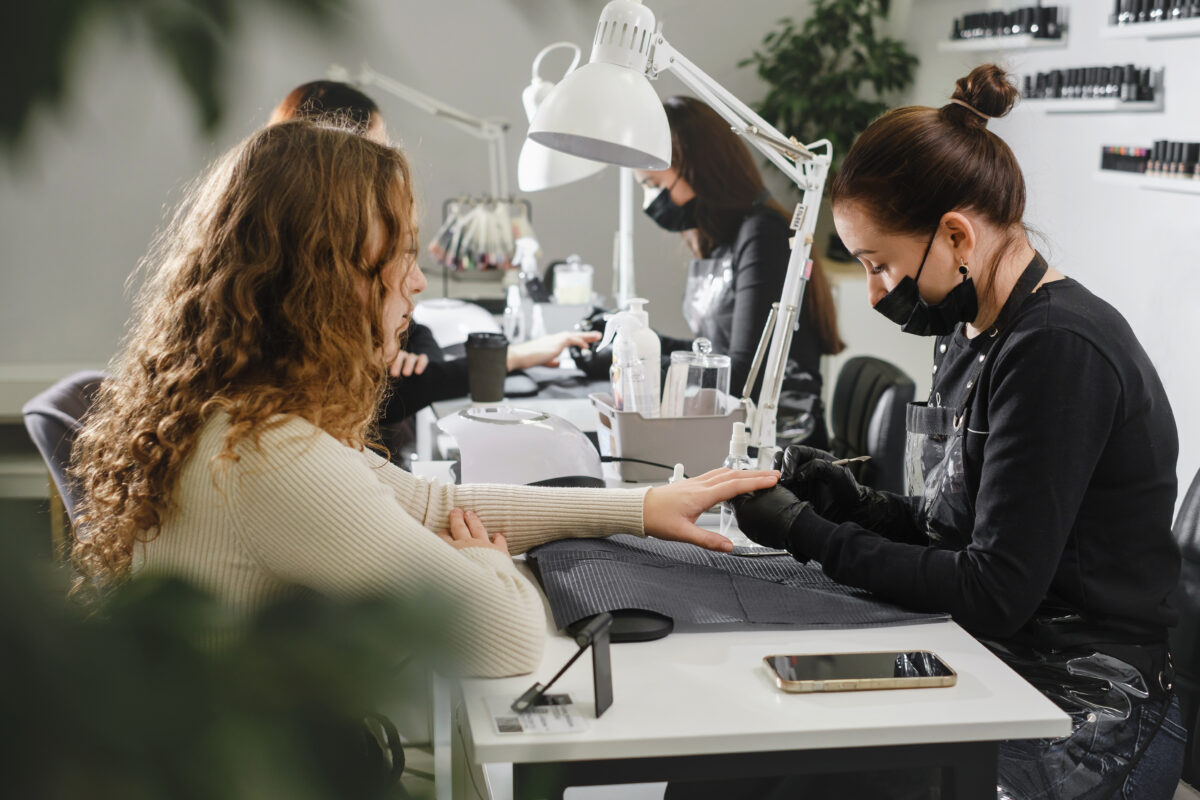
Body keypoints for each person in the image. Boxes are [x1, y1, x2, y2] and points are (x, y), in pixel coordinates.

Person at [68, 120, 779, 678]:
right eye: (401, 254)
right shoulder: (269, 456)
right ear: (324, 277)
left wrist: (641, 508)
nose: (416, 282)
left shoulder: (244, 412)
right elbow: (503, 636)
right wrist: (485, 566)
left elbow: (437, 508)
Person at [728, 64, 1184, 798]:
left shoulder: (1058, 351)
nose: (876, 292)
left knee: (815, 783)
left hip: (1090, 704)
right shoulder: (972, 334)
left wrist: (809, 533)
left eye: (880, 266)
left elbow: (993, 588)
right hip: (989, 655)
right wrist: (855, 504)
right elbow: (961, 531)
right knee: (748, 758)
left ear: (954, 235)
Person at [269, 81, 600, 463]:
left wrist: (408, 350)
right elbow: (412, 387)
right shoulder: (301, 433)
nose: (418, 281)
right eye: (376, 149)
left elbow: (417, 331)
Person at [634, 96, 844, 448]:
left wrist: (641, 366)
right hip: (732, 429)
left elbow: (744, 374)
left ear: (696, 167)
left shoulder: (763, 234)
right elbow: (718, 352)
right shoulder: (719, 238)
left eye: (655, 185)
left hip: (781, 444)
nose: (652, 200)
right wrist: (640, 344)